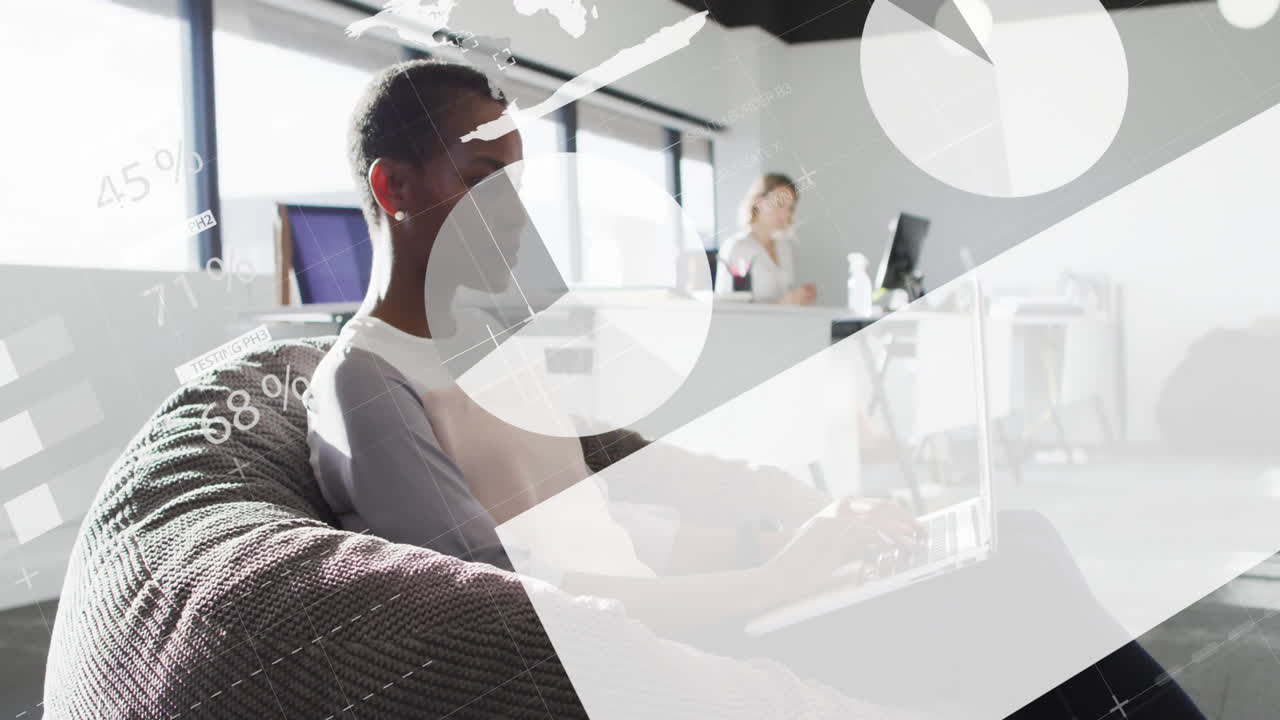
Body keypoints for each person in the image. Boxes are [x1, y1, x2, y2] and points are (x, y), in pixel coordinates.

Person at [304, 59, 917, 637]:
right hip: (619, 660)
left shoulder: (494, 347)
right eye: (485, 180)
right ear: (395, 186)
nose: (517, 214)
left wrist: (794, 531)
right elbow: (498, 596)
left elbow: (601, 517)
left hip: (678, 620)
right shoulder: (364, 379)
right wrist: (770, 583)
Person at [716, 173, 817, 305]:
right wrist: (781, 304)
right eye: (780, 204)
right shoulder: (737, 247)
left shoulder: (784, 247)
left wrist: (798, 297)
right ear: (758, 202)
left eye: (790, 208)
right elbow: (727, 308)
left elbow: (784, 297)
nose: (786, 214)